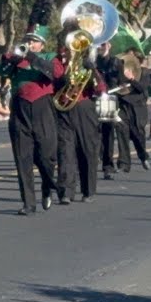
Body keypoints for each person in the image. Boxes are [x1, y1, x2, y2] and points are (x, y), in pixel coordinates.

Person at [0, 0, 61, 215]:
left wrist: (31, 55)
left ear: (41, 44)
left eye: (34, 41)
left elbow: (53, 72)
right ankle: (28, 202)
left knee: (45, 155)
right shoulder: (17, 58)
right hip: (20, 108)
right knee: (22, 157)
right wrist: (12, 59)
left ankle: (46, 187)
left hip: (43, 108)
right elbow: (1, 71)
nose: (30, 43)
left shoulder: (49, 56)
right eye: (28, 40)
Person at [53, 31, 104, 204]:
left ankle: (88, 190)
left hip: (84, 109)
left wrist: (93, 71)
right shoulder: (57, 62)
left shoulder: (86, 65)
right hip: (64, 109)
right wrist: (65, 78)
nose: (66, 50)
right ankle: (66, 191)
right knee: (65, 152)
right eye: (65, 47)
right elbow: (54, 81)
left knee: (87, 150)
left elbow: (101, 90)